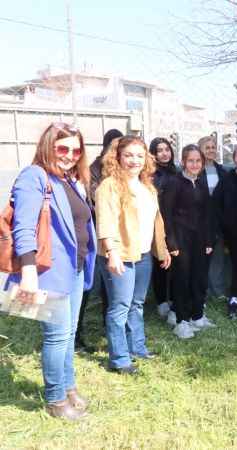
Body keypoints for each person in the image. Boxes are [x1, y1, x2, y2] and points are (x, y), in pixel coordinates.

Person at [9, 122, 96, 420]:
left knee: (68, 333)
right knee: (57, 336)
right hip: (49, 272)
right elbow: (24, 227)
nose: (70, 154)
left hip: (76, 268)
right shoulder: (34, 176)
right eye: (63, 148)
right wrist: (29, 273)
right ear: (48, 146)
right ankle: (56, 399)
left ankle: (68, 386)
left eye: (76, 149)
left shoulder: (68, 180)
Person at [96, 136, 171, 374]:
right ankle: (119, 360)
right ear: (117, 157)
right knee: (119, 307)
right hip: (121, 255)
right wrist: (112, 252)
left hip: (143, 256)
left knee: (136, 305)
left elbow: (155, 222)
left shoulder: (146, 186)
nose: (134, 161)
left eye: (139, 156)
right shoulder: (109, 186)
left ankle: (137, 348)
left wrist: (162, 250)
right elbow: (105, 221)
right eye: (128, 155)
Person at [75, 128, 122, 352]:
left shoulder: (124, 170)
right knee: (84, 288)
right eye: (113, 145)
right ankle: (75, 334)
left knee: (111, 289)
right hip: (92, 237)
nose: (116, 150)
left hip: (115, 237)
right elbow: (94, 200)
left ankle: (109, 328)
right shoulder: (93, 170)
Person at [163, 144, 215, 339]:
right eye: (191, 161)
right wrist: (172, 243)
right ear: (183, 162)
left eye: (198, 161)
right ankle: (181, 321)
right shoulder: (174, 183)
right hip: (180, 239)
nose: (194, 164)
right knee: (182, 279)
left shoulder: (201, 182)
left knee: (199, 277)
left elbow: (207, 214)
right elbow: (166, 215)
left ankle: (197, 315)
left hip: (199, 239)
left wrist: (209, 239)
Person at [214, 145, 237, 318]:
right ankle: (235, 296)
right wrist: (225, 225)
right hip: (234, 231)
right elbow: (217, 204)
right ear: (234, 158)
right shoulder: (227, 179)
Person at [148, 137, 178, 319]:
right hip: (158, 224)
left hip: (176, 224)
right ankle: (161, 301)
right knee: (160, 264)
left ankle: (174, 298)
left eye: (167, 149)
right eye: (160, 150)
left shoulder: (176, 171)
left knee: (175, 263)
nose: (164, 153)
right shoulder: (151, 175)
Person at [197, 135, 228, 299]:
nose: (210, 150)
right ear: (200, 150)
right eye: (207, 147)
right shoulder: (195, 170)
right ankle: (203, 291)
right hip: (199, 221)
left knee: (218, 258)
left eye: (213, 147)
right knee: (201, 258)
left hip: (217, 221)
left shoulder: (221, 171)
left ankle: (218, 291)